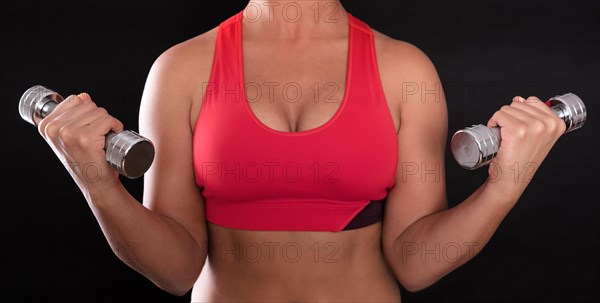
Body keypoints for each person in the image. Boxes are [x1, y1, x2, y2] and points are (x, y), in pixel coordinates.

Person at [36, 1, 567, 301]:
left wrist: (507, 183)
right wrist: (97, 183)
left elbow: (414, 262)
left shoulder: (404, 68)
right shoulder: (181, 68)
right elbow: (175, 269)